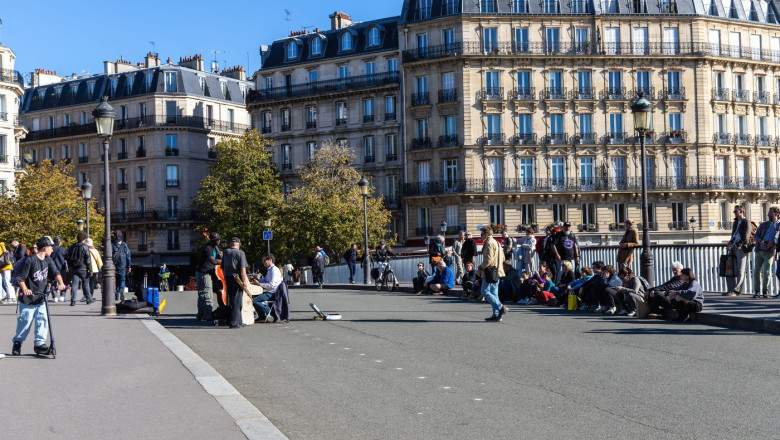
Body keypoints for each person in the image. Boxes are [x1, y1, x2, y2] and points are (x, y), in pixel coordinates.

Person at [11, 236, 66, 356]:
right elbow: (20, 278)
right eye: (51, 247)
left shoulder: (48, 260)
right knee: (25, 322)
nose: (53, 249)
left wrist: (61, 283)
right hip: (28, 299)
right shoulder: (30, 260)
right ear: (45, 248)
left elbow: (56, 273)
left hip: (41, 297)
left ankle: (39, 344)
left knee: (42, 320)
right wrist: (25, 289)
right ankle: (17, 342)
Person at [478, 226, 508, 322]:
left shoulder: (488, 243)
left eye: (482, 234)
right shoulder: (497, 243)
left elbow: (488, 259)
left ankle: (501, 308)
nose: (481, 236)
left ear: (486, 234)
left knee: (485, 292)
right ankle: (496, 315)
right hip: (497, 271)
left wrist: (480, 268)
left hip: (489, 272)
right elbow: (503, 258)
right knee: (494, 293)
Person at [221, 237, 250, 328]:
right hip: (237, 278)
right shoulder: (241, 253)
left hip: (228, 277)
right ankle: (234, 323)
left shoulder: (226, 252)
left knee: (232, 300)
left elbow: (222, 267)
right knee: (237, 301)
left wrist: (225, 276)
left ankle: (239, 321)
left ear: (230, 244)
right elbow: (243, 269)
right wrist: (244, 282)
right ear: (239, 244)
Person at [751, 206, 780, 298]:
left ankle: (765, 291)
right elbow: (756, 236)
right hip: (759, 250)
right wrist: (760, 241)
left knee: (767, 272)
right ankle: (756, 291)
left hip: (770, 251)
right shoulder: (764, 224)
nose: (768, 214)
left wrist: (775, 243)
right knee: (756, 271)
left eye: (770, 212)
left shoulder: (779, 226)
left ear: (776, 215)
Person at [196, 232, 222, 322]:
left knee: (202, 295)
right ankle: (208, 316)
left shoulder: (214, 248)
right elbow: (214, 261)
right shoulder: (208, 248)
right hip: (204, 273)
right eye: (216, 240)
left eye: (219, 239)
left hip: (208, 273)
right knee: (206, 295)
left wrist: (221, 255)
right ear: (212, 241)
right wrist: (225, 260)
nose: (218, 241)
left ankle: (200, 315)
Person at [66, 231, 95, 305]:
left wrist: (70, 268)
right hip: (83, 268)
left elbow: (68, 258)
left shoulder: (72, 247)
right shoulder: (85, 247)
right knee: (85, 284)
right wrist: (90, 270)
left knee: (74, 284)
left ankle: (73, 300)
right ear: (84, 238)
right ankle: (88, 299)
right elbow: (88, 259)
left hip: (74, 268)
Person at [725, 205, 749, 296]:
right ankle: (731, 289)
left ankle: (737, 290)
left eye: (736, 212)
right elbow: (733, 235)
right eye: (734, 212)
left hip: (741, 248)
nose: (734, 213)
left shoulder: (746, 222)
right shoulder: (735, 222)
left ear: (741, 212)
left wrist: (735, 244)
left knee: (740, 269)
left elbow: (746, 238)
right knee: (729, 267)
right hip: (733, 246)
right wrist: (730, 242)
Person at [251, 254, 282, 322]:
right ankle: (262, 316)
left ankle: (269, 311)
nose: (263, 262)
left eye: (264, 260)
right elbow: (265, 279)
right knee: (253, 297)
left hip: (273, 293)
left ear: (270, 260)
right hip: (270, 291)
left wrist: (259, 284)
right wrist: (256, 279)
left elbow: (272, 285)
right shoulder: (270, 269)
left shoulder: (274, 270)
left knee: (254, 300)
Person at [112, 230, 132, 301]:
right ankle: (121, 290)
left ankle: (117, 295)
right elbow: (128, 255)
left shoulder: (112, 245)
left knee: (117, 281)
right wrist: (129, 266)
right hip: (123, 265)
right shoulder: (124, 245)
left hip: (114, 266)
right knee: (122, 280)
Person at [50, 236, 68, 302]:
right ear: (60, 242)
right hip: (61, 268)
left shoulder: (51, 249)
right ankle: (62, 296)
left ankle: (54, 297)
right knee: (63, 282)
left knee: (53, 282)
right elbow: (66, 258)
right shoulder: (63, 249)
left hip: (52, 268)